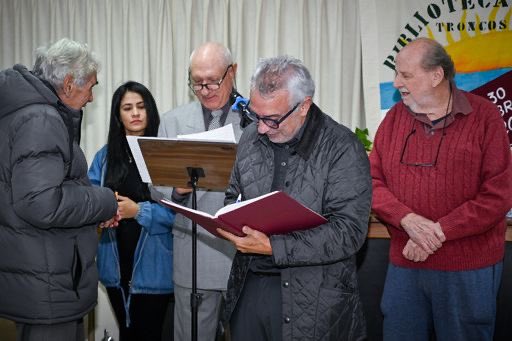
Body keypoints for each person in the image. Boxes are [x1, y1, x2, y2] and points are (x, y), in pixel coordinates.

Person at [217, 56, 372, 340]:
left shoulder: (342, 148)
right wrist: (231, 220)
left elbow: (349, 232)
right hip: (249, 285)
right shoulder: (250, 138)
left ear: (304, 106)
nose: (261, 128)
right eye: (255, 115)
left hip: (315, 298)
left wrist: (275, 247)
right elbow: (233, 195)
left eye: (272, 119)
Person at [370, 37, 512, 340]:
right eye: (397, 73)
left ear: (437, 75)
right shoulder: (394, 119)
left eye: (406, 75)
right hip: (405, 265)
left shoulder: (485, 117)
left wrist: (437, 232)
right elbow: (370, 182)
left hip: (467, 269)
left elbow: (497, 195)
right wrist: (407, 220)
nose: (396, 83)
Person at [0, 38, 119, 341]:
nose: (92, 97)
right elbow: (41, 203)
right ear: (68, 84)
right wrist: (104, 201)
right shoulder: (41, 118)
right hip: (48, 284)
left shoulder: (26, 112)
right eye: (90, 86)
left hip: (41, 275)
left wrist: (93, 210)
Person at [158, 41, 245, 340]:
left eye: (213, 81)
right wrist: (176, 190)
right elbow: (155, 185)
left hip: (244, 252)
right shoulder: (172, 121)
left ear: (232, 73)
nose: (206, 89)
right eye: (197, 83)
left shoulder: (258, 120)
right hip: (193, 252)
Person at [88, 81, 176, 341]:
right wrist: (104, 211)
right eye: (127, 108)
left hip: (156, 270)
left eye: (141, 106)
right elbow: (89, 203)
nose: (135, 113)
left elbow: (179, 214)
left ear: (150, 111)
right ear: (118, 115)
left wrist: (139, 211)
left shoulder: (165, 154)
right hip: (114, 268)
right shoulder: (103, 158)